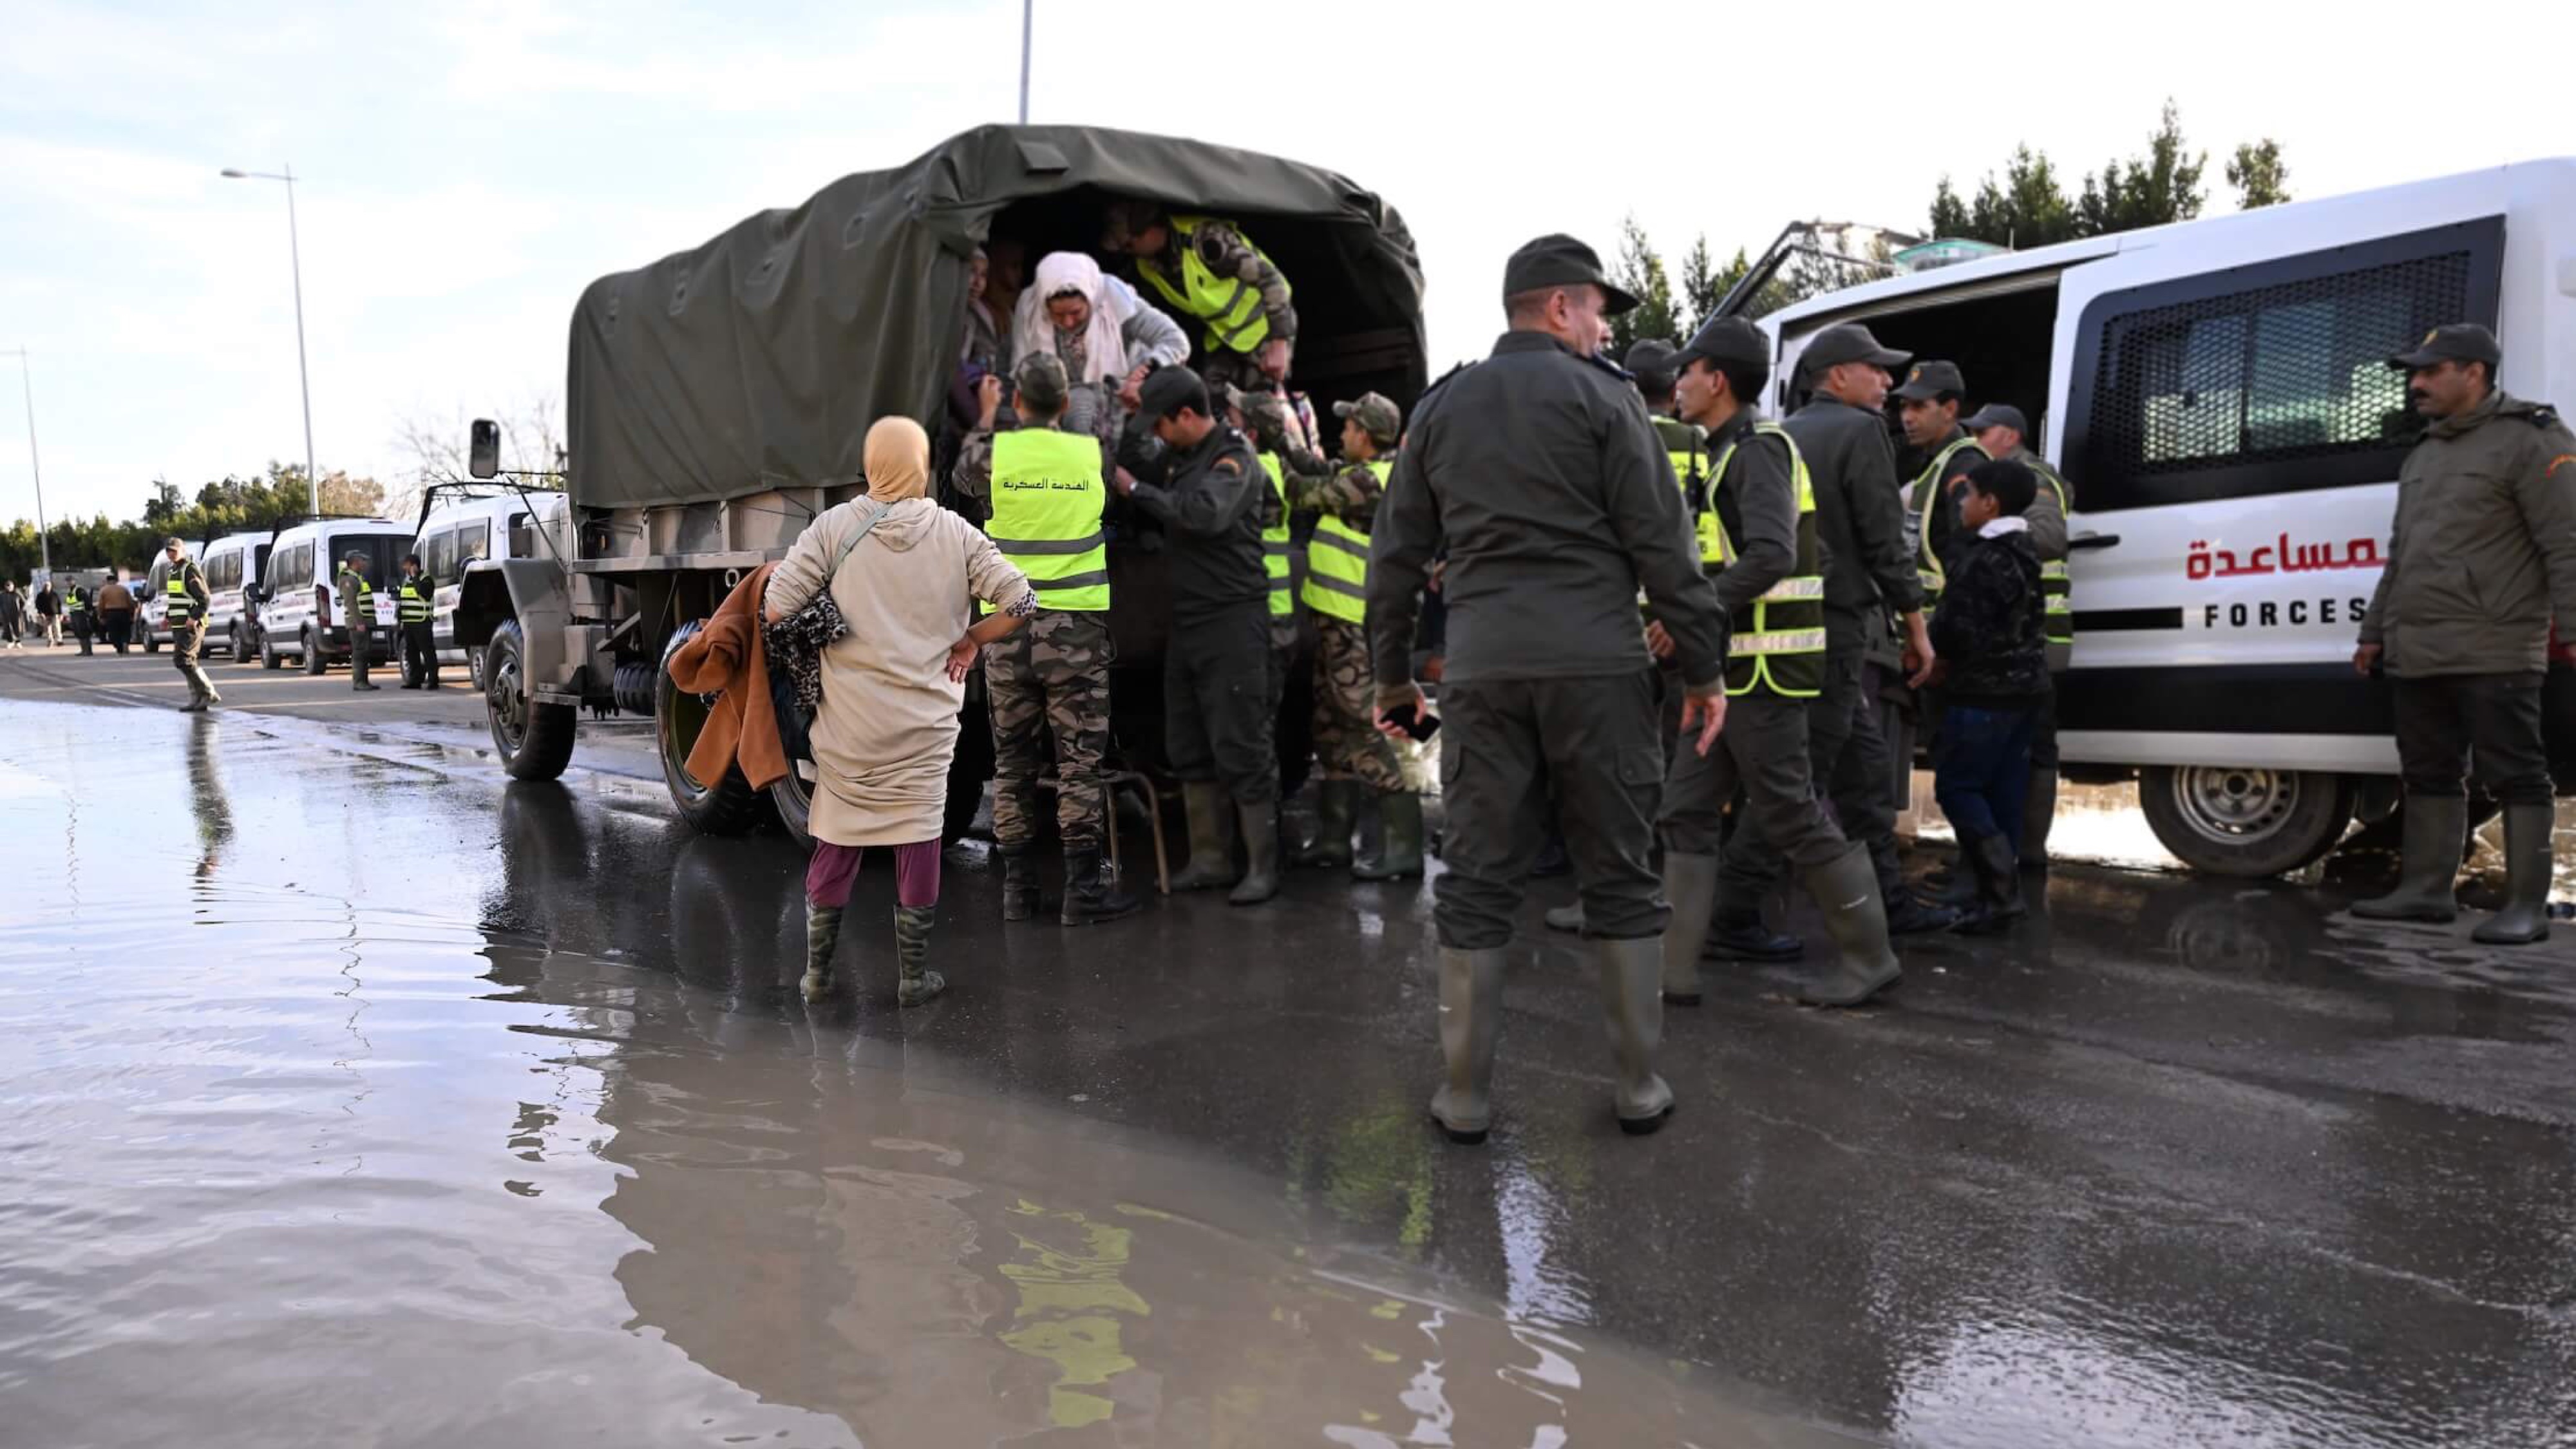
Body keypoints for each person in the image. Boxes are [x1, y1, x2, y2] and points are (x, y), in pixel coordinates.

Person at [1369, 233, 1728, 1143]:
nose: (1606, 328)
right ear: (1560, 307)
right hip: (1600, 666)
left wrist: (1391, 673)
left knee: (1481, 874)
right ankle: (1639, 1084)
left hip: (1485, 671)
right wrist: (1704, 667)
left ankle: (1464, 1097)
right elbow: (1666, 549)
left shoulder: (1441, 409)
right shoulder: (1606, 401)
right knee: (1619, 869)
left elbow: (1396, 556)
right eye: (1599, 309)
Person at [1656, 316, 1904, 1010]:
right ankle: (1671, 972)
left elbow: (1769, 554)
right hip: (1727, 671)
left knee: (1791, 811)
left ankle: (1869, 958)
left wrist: (1692, 613)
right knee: (1685, 809)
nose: (1677, 383)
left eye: (1688, 369)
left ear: (1717, 379)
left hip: (1761, 674)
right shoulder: (1723, 453)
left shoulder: (1759, 451)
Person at [766, 416, 1036, 1003]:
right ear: (922, 465)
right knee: (919, 837)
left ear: (870, 464)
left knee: (838, 838)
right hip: (925, 727)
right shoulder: (955, 532)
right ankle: (914, 978)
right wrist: (971, 641)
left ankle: (817, 976)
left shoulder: (834, 528)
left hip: (849, 726)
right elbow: (1022, 598)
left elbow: (775, 608)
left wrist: (829, 623)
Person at [2352, 323, 2576, 945]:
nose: (2416, 384)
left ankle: (2527, 907)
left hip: (2496, 642)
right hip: (2419, 646)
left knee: (2516, 772)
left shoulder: (2533, 440)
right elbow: (2403, 556)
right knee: (2427, 768)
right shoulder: (2424, 453)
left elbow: (2567, 544)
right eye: (2414, 374)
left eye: (2430, 371)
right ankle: (2426, 892)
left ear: (2473, 372)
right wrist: (2375, 632)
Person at [951, 350, 1142, 929]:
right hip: (1076, 636)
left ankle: (1018, 892)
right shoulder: (1091, 455)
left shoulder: (991, 454)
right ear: (1064, 403)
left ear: (1015, 401)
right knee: (1078, 764)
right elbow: (1107, 502)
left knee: (1012, 764)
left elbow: (962, 477)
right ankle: (1082, 892)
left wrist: (986, 419)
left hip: (1007, 636)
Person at [1780, 325, 1946, 938]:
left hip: (1790, 629)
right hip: (1840, 627)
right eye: (1876, 370)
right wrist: (1916, 627)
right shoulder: (1860, 432)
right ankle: (1740, 908)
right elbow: (1883, 540)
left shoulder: (1780, 435)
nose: (1888, 383)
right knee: (1814, 776)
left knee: (1858, 768)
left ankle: (1887, 902)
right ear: (1838, 376)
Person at [1112, 366, 1283, 905]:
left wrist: (1137, 491)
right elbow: (1142, 461)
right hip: (1189, 621)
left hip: (1233, 620)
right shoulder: (1183, 455)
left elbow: (1203, 514)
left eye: (1161, 424)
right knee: (1186, 742)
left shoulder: (1233, 458)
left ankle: (1262, 868)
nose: (1158, 435)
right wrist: (1131, 419)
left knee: (1243, 744)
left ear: (1186, 415)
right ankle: (1210, 859)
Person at [1263, 390, 1421, 879]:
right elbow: (1318, 469)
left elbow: (1301, 491)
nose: (1343, 432)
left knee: (1368, 725)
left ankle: (1404, 846)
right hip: (1334, 623)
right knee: (1331, 732)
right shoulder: (1364, 473)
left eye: (1350, 426)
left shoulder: (1371, 483)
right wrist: (1288, 443)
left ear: (1367, 437)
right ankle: (1334, 840)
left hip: (1354, 625)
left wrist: (1270, 447)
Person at [1927, 460, 2051, 933]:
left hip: (1983, 693)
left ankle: (1999, 892)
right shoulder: (2026, 550)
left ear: (1990, 504)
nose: (1962, 503)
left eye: (1968, 495)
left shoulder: (1982, 558)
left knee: (1957, 787)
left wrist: (1933, 657)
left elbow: (1955, 628)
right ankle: (1997, 895)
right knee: (2004, 793)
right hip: (2027, 692)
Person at [1964, 402, 2074, 873]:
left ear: (2010, 435)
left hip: (2038, 639)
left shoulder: (2032, 478)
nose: (1975, 441)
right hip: (2023, 639)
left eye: (1983, 433)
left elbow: (2050, 536)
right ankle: (2009, 855)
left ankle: (2025, 855)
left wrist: (1985, 530)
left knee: (2034, 746)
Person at [1101, 202, 1294, 395]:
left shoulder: (1206, 242)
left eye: (1129, 244)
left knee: (1264, 406)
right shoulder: (1147, 266)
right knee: (1211, 397)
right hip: (1224, 338)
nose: (1128, 252)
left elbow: (1272, 281)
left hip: (1267, 328)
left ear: (1151, 229)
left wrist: (1279, 344)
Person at [1009, 251, 1191, 420]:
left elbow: (1175, 340)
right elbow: (1016, 371)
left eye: (1076, 312)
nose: (1068, 323)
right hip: (1059, 422)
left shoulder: (1118, 305)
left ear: (1091, 299)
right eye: (1058, 315)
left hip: (1124, 414)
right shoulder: (1030, 310)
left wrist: (1148, 372)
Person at [1895, 361, 1992, 626]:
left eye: (1919, 406)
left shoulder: (1965, 464)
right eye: (1904, 406)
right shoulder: (1934, 461)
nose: (1907, 417)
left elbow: (1970, 558)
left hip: (1949, 632)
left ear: (1950, 409)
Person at [163, 538, 219, 712]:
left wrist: (194, 617)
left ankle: (208, 693)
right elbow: (177, 598)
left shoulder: (189, 569)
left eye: (174, 550)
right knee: (187, 661)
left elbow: (205, 598)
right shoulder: (174, 571)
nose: (171, 553)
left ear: (182, 550)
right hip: (179, 624)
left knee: (183, 660)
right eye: (169, 551)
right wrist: (168, 616)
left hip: (191, 625)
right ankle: (197, 698)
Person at [336, 552, 380, 691]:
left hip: (365, 622)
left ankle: (364, 681)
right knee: (360, 652)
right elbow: (351, 603)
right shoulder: (349, 579)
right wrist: (359, 622)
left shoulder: (358, 578)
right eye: (363, 561)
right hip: (358, 623)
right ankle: (359, 682)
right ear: (355, 562)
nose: (365, 564)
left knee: (365, 652)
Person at [395, 553, 439, 689]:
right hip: (409, 623)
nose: (404, 568)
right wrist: (400, 619)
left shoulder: (426, 579)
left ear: (414, 565)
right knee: (411, 653)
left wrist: (415, 577)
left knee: (427, 652)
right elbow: (403, 601)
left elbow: (424, 594)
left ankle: (433, 680)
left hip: (422, 622)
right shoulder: (407, 581)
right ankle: (415, 680)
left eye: (406, 565)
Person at [95, 576, 135, 654]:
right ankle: (125, 643)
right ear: (116, 581)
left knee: (113, 632)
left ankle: (119, 647)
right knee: (125, 630)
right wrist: (131, 613)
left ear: (107, 581)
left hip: (110, 613)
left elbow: (101, 605)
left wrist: (101, 616)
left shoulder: (104, 590)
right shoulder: (123, 589)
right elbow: (130, 603)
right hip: (124, 611)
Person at [67, 580, 91, 655]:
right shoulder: (71, 591)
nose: (69, 583)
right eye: (67, 581)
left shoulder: (79, 590)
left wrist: (88, 610)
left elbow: (87, 600)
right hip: (74, 613)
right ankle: (83, 650)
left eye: (70, 581)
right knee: (78, 633)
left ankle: (87, 651)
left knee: (83, 632)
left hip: (80, 613)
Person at [34, 580, 59, 647]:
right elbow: (37, 605)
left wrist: (60, 613)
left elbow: (59, 604)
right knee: (48, 629)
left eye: (48, 586)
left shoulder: (54, 594)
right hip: (45, 614)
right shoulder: (40, 595)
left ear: (51, 587)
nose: (47, 587)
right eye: (46, 586)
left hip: (54, 613)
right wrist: (40, 613)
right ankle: (50, 640)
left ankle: (58, 640)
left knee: (56, 627)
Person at [0, 580, 22, 648]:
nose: (9, 587)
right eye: (8, 586)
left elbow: (23, 602)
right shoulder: (2, 595)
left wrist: (20, 610)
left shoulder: (17, 594)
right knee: (8, 628)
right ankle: (10, 641)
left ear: (13, 586)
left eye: (10, 586)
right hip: (5, 614)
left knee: (16, 628)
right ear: (5, 587)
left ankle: (18, 641)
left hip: (15, 614)